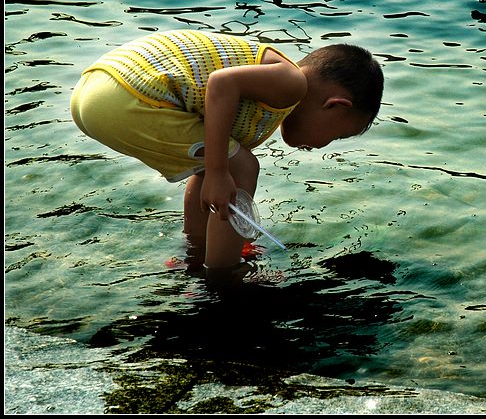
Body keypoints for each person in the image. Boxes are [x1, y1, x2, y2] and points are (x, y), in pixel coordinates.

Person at [70, 29, 384, 286]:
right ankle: (223, 276)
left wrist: (215, 170)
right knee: (242, 165)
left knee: (216, 164)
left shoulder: (272, 79)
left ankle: (197, 255)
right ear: (335, 105)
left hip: (95, 92)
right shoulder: (292, 84)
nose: (325, 145)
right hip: (130, 97)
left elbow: (209, 159)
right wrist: (221, 171)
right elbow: (222, 82)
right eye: (338, 135)